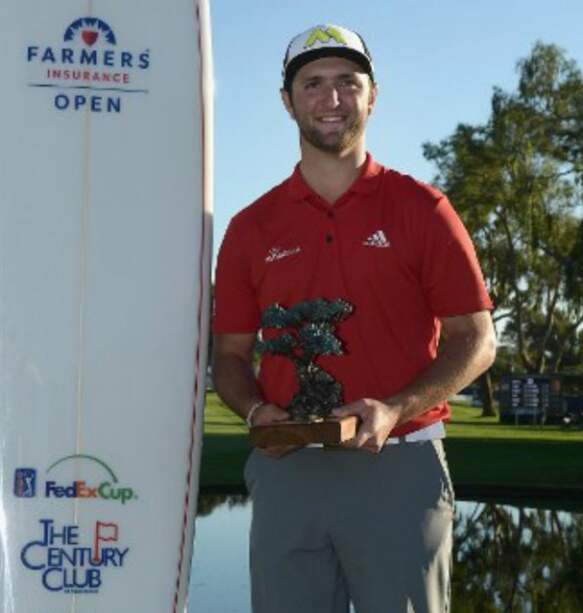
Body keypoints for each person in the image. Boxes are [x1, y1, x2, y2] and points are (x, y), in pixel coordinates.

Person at [212, 24, 496, 613]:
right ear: (287, 100)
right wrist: (255, 411)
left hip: (400, 463)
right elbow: (231, 356)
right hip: (287, 469)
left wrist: (395, 409)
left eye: (348, 82)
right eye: (313, 84)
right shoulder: (250, 228)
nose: (332, 99)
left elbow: (476, 339)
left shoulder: (423, 209)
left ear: (373, 95)